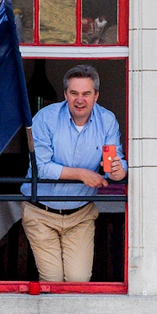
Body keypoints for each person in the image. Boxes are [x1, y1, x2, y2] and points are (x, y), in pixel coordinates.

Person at [22, 65, 127, 284]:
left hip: (80, 214)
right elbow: (41, 168)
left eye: (86, 94)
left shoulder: (106, 120)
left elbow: (113, 164)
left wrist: (118, 171)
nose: (80, 100)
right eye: (74, 93)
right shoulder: (46, 117)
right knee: (52, 280)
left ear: (96, 96)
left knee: (78, 281)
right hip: (41, 212)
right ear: (65, 95)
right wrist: (81, 174)